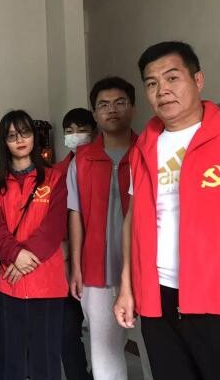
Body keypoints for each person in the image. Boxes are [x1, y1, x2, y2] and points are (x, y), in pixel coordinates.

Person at [114, 41, 220, 380]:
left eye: (172, 78)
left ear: (198, 80)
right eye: (152, 83)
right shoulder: (141, 150)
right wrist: (127, 285)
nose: (162, 90)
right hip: (159, 301)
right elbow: (132, 221)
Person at [0, 109, 68, 380]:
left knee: (46, 360)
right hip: (7, 283)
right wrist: (16, 255)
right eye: (11, 136)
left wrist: (24, 258)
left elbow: (54, 226)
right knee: (8, 360)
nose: (19, 140)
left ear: (34, 136)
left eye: (25, 133)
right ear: (4, 142)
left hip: (46, 282)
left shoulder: (54, 178)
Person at [66, 76, 140, 380]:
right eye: (104, 105)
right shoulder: (82, 160)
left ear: (132, 107)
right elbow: (75, 214)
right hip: (97, 270)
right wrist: (76, 266)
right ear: (95, 114)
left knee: (157, 349)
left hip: (145, 269)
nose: (112, 110)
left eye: (120, 102)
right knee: (104, 351)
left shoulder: (148, 151)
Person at [56, 108, 97, 380]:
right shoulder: (58, 171)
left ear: (94, 131)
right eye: (69, 131)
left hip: (99, 260)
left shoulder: (104, 164)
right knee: (67, 331)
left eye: (81, 130)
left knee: (106, 332)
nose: (75, 136)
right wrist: (66, 259)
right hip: (69, 262)